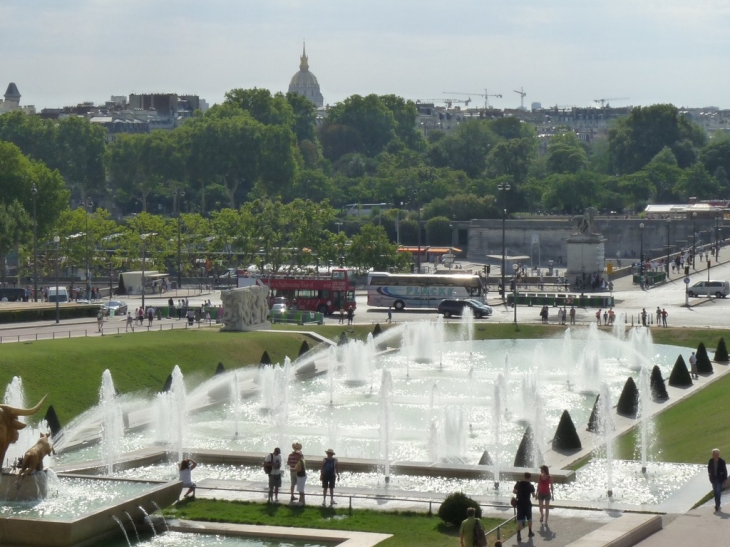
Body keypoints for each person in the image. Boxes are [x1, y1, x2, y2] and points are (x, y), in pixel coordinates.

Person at [513, 472, 535, 541]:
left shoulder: (518, 483)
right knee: (529, 518)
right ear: (529, 478)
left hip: (520, 503)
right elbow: (533, 495)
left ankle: (519, 534)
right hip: (527, 504)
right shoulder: (530, 486)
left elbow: (514, 491)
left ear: (524, 477)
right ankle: (530, 532)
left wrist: (519, 493)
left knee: (519, 519)